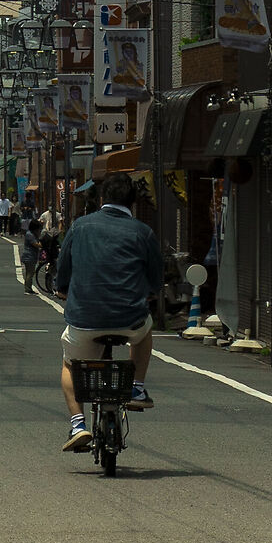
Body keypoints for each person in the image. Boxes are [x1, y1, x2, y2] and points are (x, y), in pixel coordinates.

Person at [53, 169, 163, 451]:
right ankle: (136, 386)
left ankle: (78, 424)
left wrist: (63, 290)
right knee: (144, 330)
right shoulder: (143, 232)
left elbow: (62, 273)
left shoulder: (80, 227)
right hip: (130, 318)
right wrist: (148, 294)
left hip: (85, 319)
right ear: (133, 202)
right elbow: (156, 280)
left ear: (102, 197)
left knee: (70, 364)